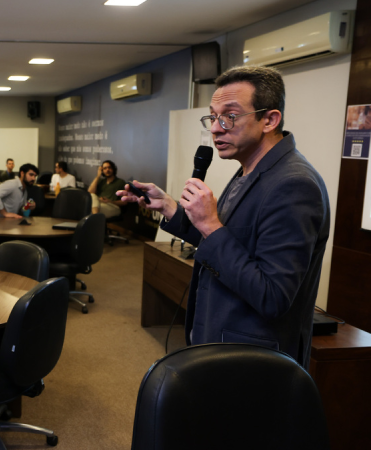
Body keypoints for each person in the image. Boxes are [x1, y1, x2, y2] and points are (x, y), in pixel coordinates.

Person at [118, 66, 329, 368]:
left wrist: (210, 224)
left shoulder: (294, 185)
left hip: (252, 359)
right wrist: (169, 207)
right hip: (221, 343)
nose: (216, 128)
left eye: (229, 116)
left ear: (269, 119)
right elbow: (229, 240)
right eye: (213, 116)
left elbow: (273, 296)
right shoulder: (249, 168)